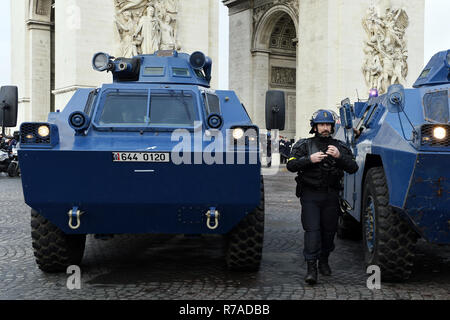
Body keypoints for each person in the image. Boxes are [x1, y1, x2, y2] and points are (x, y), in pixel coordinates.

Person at [287, 109, 358, 285]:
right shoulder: (304, 145)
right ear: (315, 127)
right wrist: (309, 160)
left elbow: (353, 168)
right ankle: (311, 268)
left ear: (332, 126)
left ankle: (324, 260)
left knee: (329, 233)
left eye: (328, 124)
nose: (325, 128)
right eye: (321, 124)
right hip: (310, 195)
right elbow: (291, 165)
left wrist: (340, 157)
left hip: (331, 196)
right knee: (312, 232)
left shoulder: (340, 146)